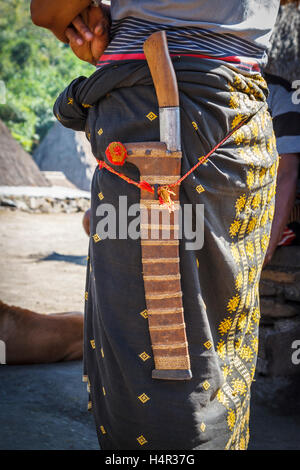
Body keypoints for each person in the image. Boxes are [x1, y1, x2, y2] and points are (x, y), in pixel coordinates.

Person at [31, 0, 281, 450]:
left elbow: (48, 9)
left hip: (148, 110)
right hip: (240, 122)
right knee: (220, 339)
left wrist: (91, 22)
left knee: (156, 353)